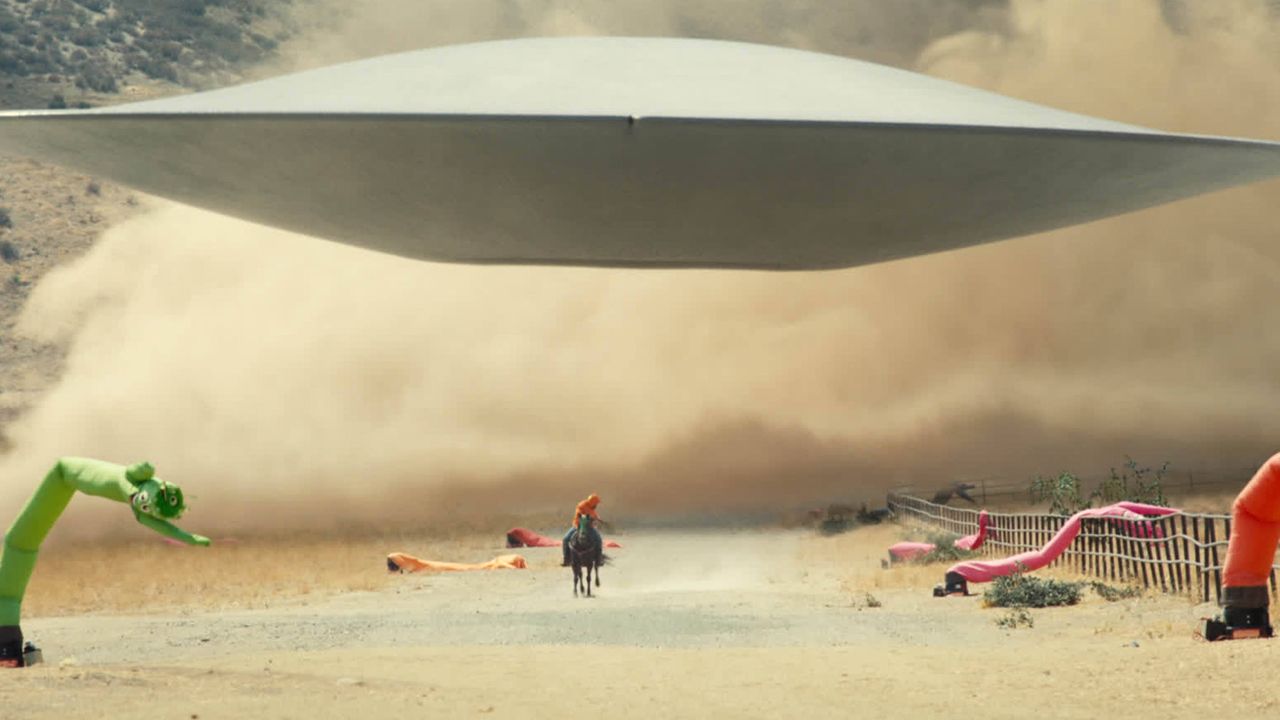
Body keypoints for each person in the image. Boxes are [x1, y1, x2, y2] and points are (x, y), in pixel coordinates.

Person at [562, 493, 603, 566]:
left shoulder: (592, 508)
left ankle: (598, 560)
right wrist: (590, 517)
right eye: (596, 504)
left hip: (589, 527)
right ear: (592, 503)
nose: (596, 505)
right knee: (565, 539)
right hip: (578, 526)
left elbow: (594, 515)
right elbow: (580, 515)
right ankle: (566, 560)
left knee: (599, 539)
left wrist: (598, 518)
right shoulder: (581, 505)